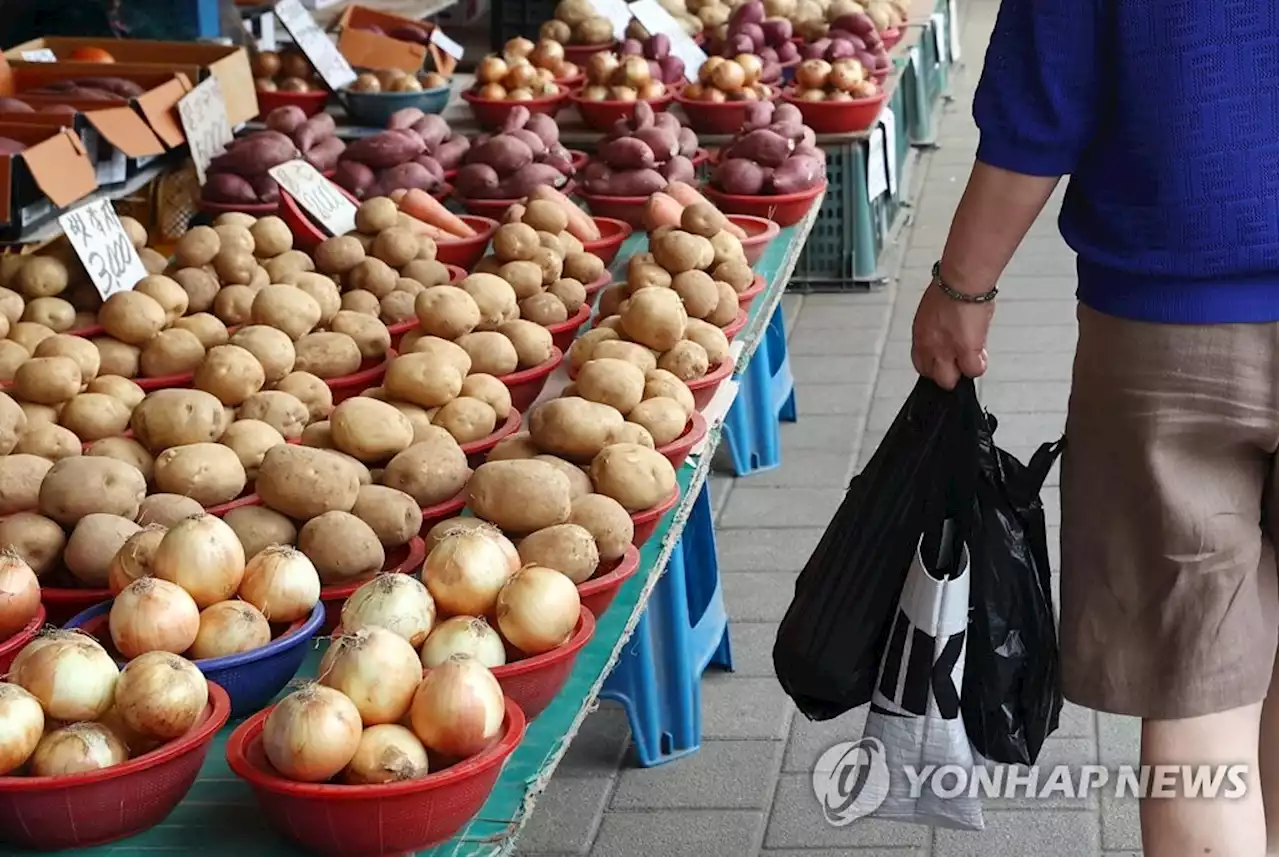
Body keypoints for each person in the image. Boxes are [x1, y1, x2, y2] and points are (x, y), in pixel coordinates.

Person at [910, 3, 1280, 855]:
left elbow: (1044, 99)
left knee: (1197, 690)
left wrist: (964, 288)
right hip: (1172, 310)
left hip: (1170, 330)